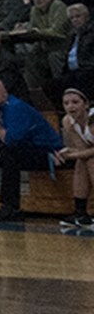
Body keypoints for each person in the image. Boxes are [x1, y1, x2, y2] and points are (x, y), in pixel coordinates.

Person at [0, 76, 65, 222]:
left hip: (46, 152)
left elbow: (11, 140)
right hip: (20, 149)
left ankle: (11, 207)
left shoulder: (16, 107)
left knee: (10, 153)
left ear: (4, 93)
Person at [58, 87, 93, 229]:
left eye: (75, 102)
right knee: (82, 162)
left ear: (85, 105)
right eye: (66, 103)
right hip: (88, 155)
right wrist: (67, 151)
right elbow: (82, 150)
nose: (70, 106)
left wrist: (71, 155)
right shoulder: (67, 121)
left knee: (90, 162)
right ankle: (80, 213)